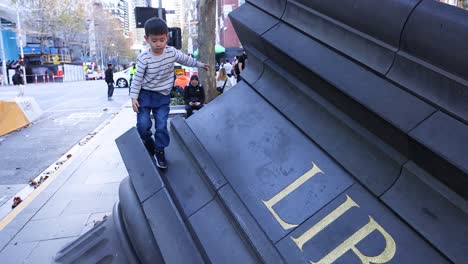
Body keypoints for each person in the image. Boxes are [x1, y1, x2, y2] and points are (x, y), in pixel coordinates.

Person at [130, 17, 209, 169]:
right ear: (147, 39)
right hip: (145, 95)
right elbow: (137, 78)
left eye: (162, 39)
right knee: (143, 126)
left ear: (167, 36)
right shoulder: (144, 58)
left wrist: (199, 64)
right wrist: (134, 97)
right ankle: (149, 143)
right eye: (154, 41)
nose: (158, 44)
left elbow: (186, 60)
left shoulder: (171, 52)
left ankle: (160, 151)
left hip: (162, 96)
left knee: (161, 126)